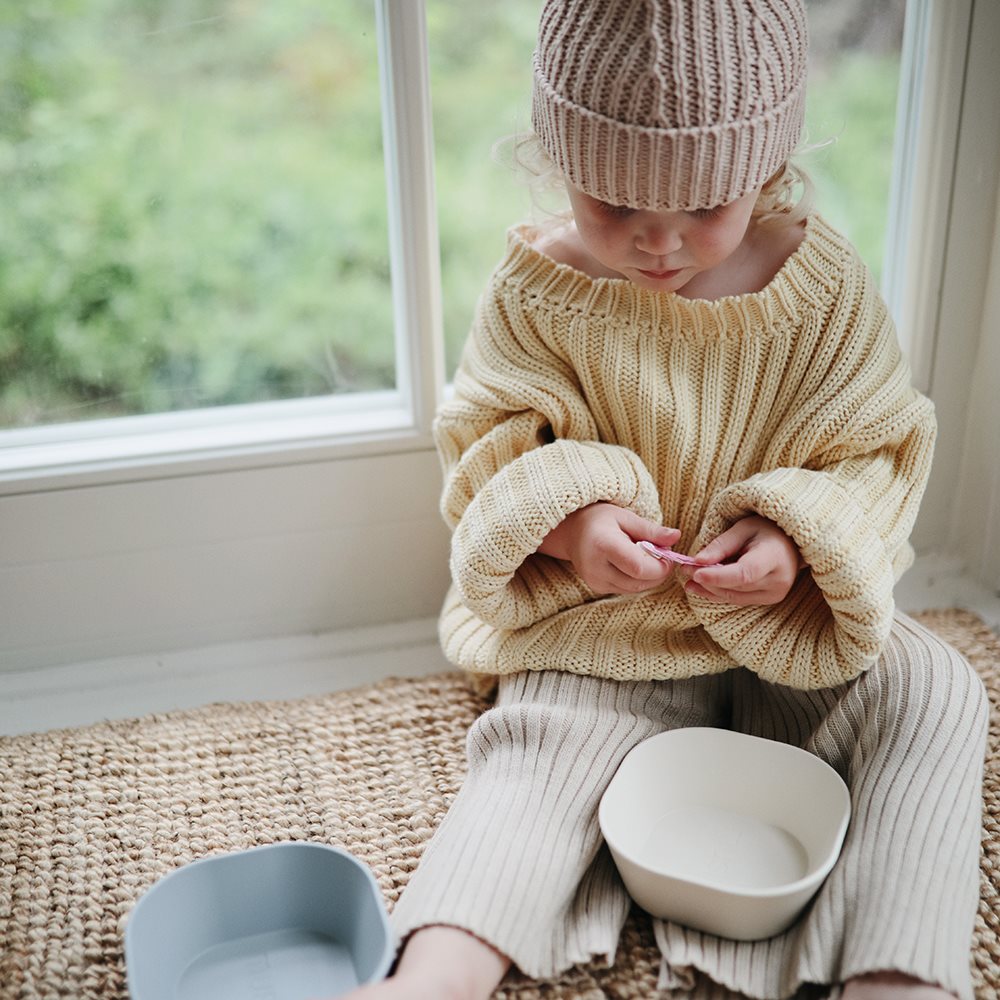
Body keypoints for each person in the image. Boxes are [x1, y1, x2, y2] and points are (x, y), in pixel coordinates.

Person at [340, 1, 989, 997]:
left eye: (703, 207)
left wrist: (796, 535)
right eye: (612, 204)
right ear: (554, 158)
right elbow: (485, 450)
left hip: (792, 631)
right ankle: (434, 974)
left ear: (767, 168)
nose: (657, 242)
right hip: (613, 632)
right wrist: (569, 522)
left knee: (937, 691)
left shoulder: (820, 292)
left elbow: (880, 449)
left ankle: (896, 974)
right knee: (533, 752)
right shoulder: (539, 293)